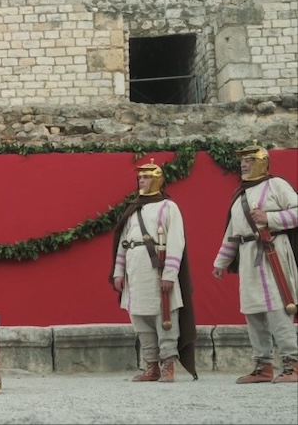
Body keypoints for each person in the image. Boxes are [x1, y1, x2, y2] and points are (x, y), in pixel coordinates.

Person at [211, 141, 298, 384]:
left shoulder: (277, 185)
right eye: (242, 161)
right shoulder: (241, 195)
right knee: (253, 311)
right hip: (249, 257)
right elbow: (233, 231)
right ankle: (263, 366)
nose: (244, 165)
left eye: (249, 161)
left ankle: (293, 363)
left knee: (277, 310)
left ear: (261, 162)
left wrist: (270, 217)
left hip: (273, 254)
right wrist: (222, 261)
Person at [109, 159, 197, 382]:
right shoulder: (133, 208)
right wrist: (118, 272)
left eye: (147, 177)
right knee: (139, 316)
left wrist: (169, 273)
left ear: (157, 179)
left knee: (164, 317)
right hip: (135, 271)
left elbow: (177, 241)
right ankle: (151, 366)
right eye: (140, 177)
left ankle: (168, 364)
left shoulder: (169, 207)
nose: (142, 180)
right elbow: (123, 242)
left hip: (158, 270)